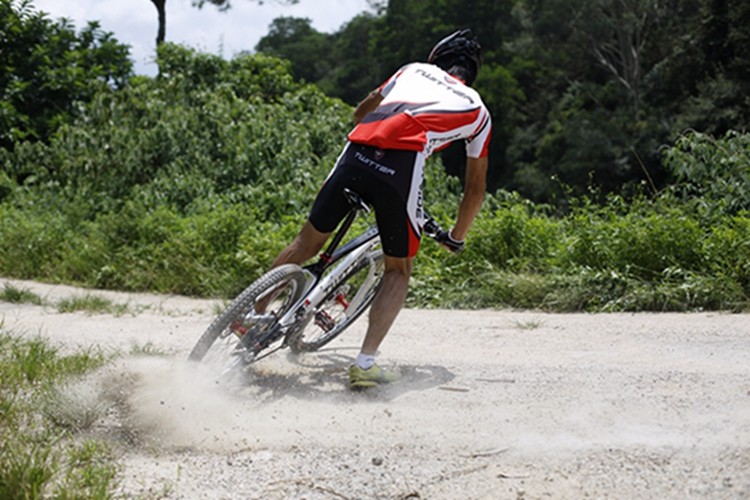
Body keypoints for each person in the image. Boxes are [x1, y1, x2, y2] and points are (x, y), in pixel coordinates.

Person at [269, 28, 492, 389]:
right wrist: (456, 237)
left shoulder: (412, 70)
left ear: (437, 58)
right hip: (399, 169)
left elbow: (365, 108)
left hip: (357, 151)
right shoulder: (478, 111)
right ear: (470, 73)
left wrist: (366, 119)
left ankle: (248, 317)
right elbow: (475, 188)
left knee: (305, 243)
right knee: (398, 270)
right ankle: (365, 364)